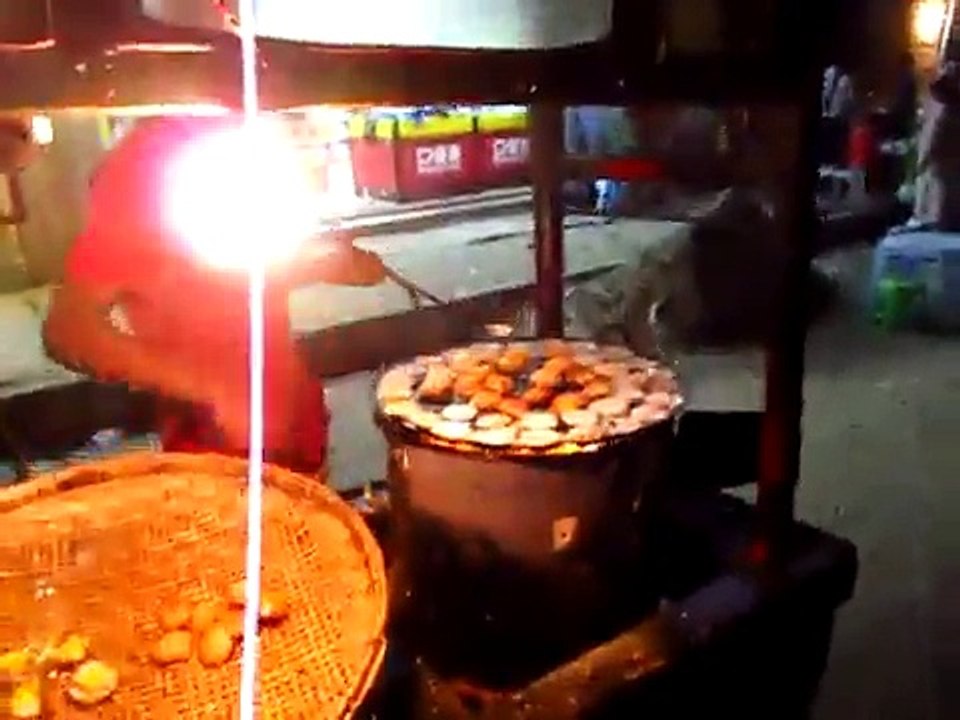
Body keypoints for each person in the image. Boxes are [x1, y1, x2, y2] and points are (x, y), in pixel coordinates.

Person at [42, 116, 389, 477]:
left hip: (297, 428)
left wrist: (323, 265)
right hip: (218, 452)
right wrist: (212, 388)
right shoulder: (141, 168)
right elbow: (70, 330)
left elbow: (230, 270)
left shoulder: (247, 138)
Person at [913, 61, 960, 231]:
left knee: (943, 199)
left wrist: (925, 159)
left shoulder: (945, 114)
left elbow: (936, 139)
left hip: (944, 165)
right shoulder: (950, 112)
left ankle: (942, 225)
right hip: (950, 165)